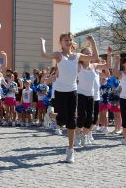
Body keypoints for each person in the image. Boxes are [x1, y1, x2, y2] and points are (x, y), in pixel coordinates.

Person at [40, 32, 99, 163]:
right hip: (60, 92)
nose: (68, 41)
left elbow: (95, 57)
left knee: (72, 121)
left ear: (72, 42)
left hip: (73, 91)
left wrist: (93, 42)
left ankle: (70, 150)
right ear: (61, 43)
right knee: (62, 120)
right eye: (65, 40)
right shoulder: (58, 55)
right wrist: (43, 43)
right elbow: (44, 54)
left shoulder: (77, 56)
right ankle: (50, 116)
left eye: (69, 40)